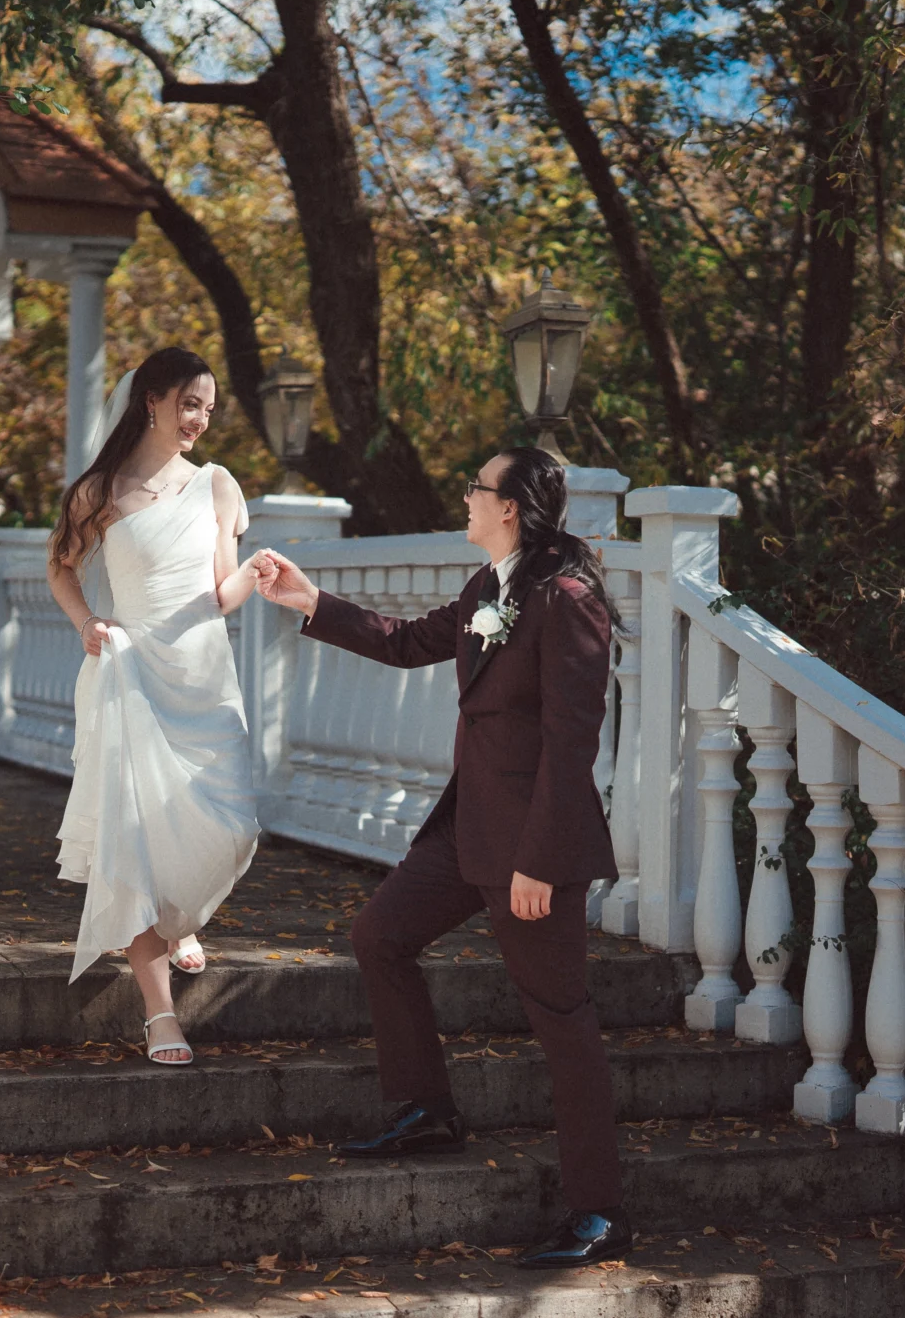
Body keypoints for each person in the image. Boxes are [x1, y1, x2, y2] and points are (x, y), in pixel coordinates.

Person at [250, 446, 630, 1268]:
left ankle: (599, 1211)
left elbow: (573, 746)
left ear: (512, 508)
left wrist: (540, 861)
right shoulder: (490, 588)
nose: (464, 497)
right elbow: (406, 639)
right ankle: (426, 1108)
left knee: (562, 1022)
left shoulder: (567, 601)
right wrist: (307, 600)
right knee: (379, 935)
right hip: (467, 832)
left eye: (476, 488)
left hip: (530, 847)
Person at [48, 346, 261, 1067]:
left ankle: (180, 916)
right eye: (190, 403)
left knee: (232, 826)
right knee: (135, 837)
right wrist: (86, 623)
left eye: (208, 406)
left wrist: (257, 575)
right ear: (152, 400)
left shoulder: (218, 486)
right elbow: (61, 566)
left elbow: (220, 592)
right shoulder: (100, 489)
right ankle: (160, 1010)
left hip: (203, 674)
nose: (201, 418)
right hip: (132, 673)